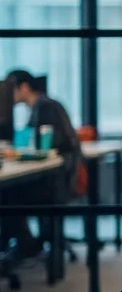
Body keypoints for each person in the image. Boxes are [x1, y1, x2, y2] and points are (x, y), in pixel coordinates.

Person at [1, 70, 82, 258]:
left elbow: (48, 147)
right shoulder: (42, 105)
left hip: (56, 181)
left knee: (7, 194)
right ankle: (25, 243)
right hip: (58, 178)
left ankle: (26, 244)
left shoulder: (44, 106)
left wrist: (18, 154)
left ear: (24, 88)